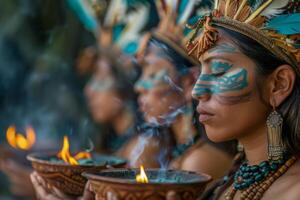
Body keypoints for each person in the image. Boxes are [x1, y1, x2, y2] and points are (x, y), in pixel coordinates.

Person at [181, 0, 300, 199]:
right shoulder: (230, 183)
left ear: (279, 84)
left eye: (219, 69)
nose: (196, 91)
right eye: (201, 71)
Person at [135, 0, 236, 180]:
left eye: (152, 74)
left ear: (190, 81)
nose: (138, 87)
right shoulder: (177, 152)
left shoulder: (198, 162)